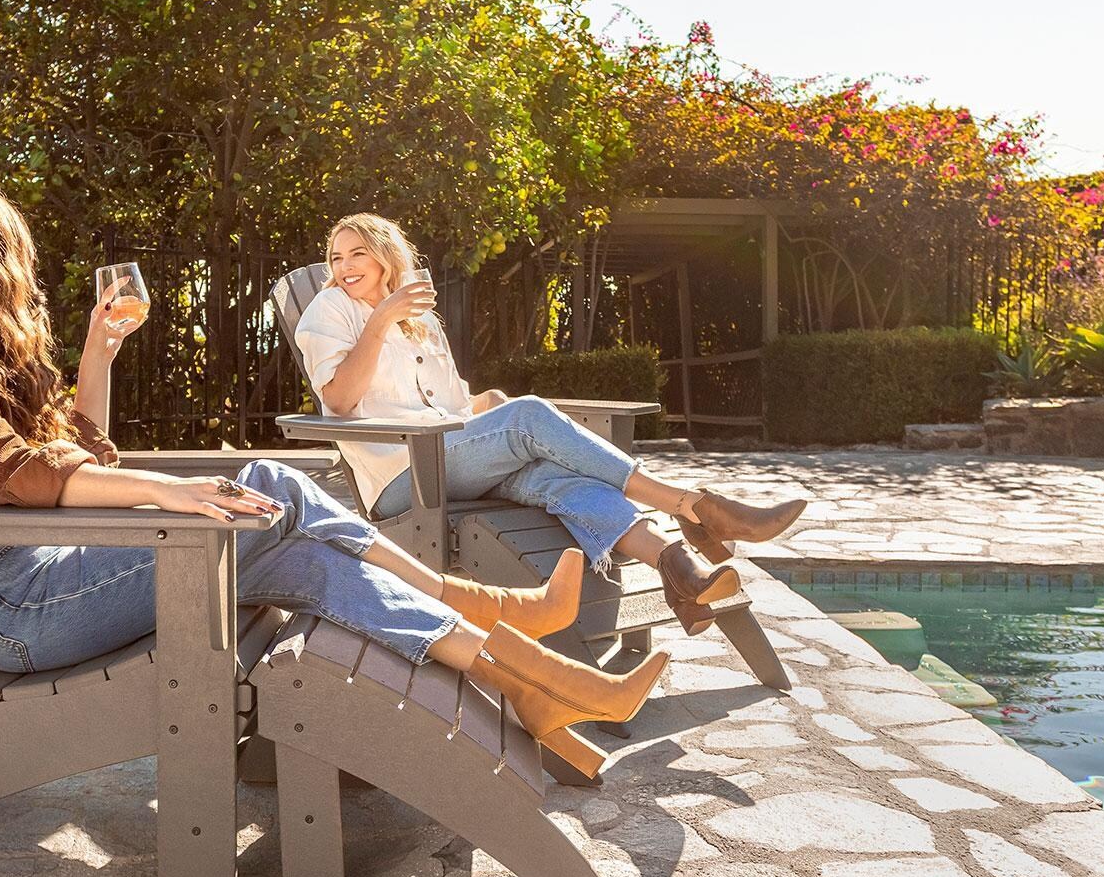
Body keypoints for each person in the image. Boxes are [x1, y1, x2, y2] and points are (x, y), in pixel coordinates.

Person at [0, 178, 668, 779]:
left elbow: (77, 451)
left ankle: (535, 683)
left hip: (58, 570)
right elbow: (24, 475)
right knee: (269, 486)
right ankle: (487, 609)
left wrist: (99, 354)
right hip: (13, 604)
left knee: (306, 555)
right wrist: (166, 492)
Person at [293, 214, 806, 634]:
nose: (344, 266)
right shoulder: (329, 309)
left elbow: (448, 402)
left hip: (451, 456)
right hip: (403, 476)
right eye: (336, 257)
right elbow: (337, 401)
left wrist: (485, 403)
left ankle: (680, 569)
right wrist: (380, 320)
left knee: (562, 477)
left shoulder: (421, 320)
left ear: (386, 257)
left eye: (356, 252)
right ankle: (691, 506)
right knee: (531, 415)